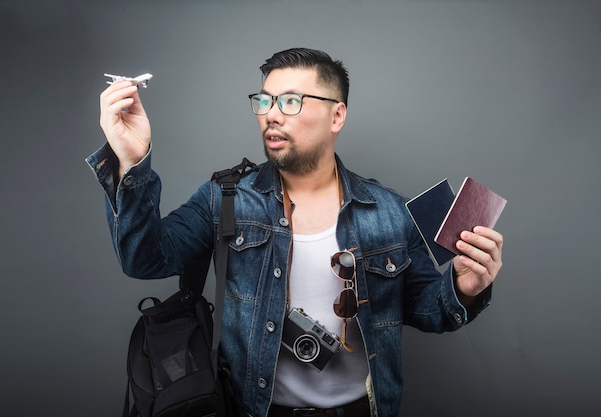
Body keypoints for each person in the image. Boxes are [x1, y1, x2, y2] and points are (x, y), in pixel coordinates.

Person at [87, 47, 503, 417]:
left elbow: (428, 311)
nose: (271, 113)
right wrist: (132, 162)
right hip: (253, 408)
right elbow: (145, 259)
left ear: (336, 114)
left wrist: (464, 287)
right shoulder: (225, 198)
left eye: (290, 101)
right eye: (265, 100)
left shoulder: (389, 210)